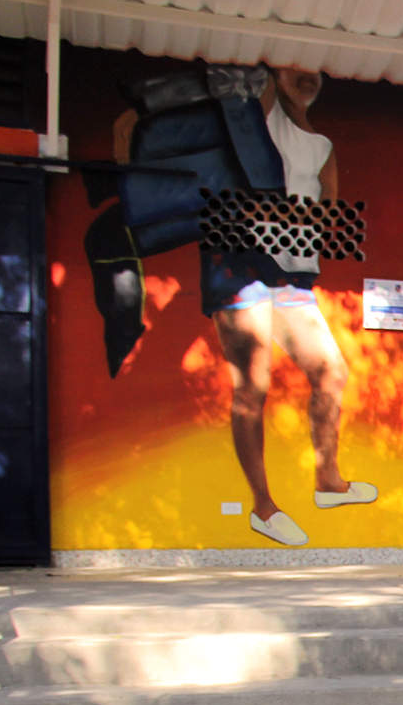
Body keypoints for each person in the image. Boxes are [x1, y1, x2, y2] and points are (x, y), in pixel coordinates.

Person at [115, 66, 374, 547]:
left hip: (292, 269)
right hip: (236, 260)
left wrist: (286, 215)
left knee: (331, 371)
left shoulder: (321, 147)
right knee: (253, 384)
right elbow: (129, 126)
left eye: (314, 70)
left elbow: (331, 217)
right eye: (293, 67)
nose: (307, 76)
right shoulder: (237, 119)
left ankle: (328, 480)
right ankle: (262, 506)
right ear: (269, 73)